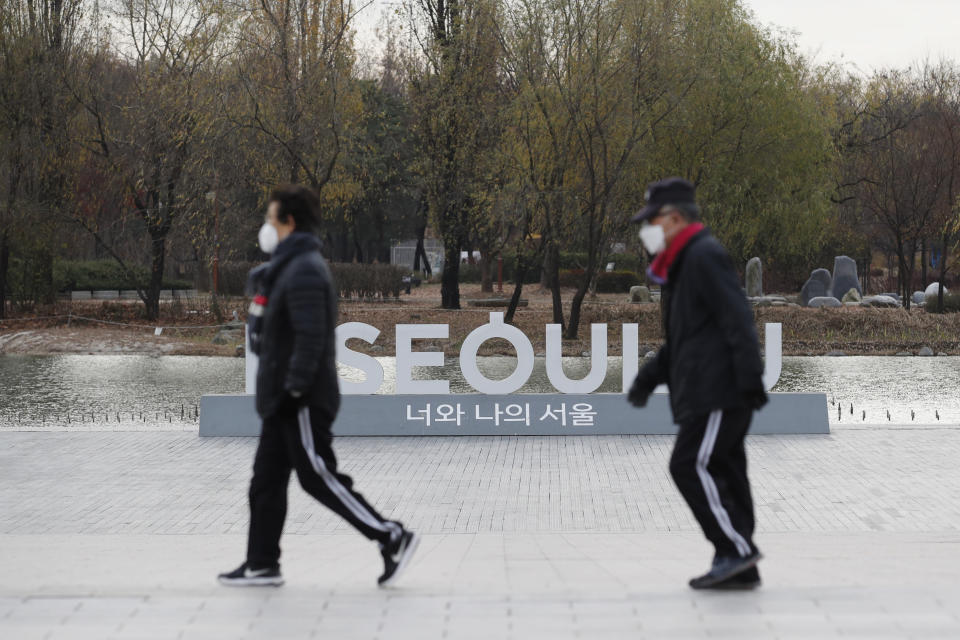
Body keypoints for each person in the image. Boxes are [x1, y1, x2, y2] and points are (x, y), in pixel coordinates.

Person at [219, 184, 419, 588]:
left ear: (288, 222)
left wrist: (293, 390)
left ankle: (390, 535)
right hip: (282, 397)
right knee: (266, 482)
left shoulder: (305, 268)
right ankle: (261, 563)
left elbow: (312, 338)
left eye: (271, 219)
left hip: (301, 397)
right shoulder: (285, 268)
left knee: (317, 475)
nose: (266, 227)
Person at [627, 177, 767, 590]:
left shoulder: (703, 256)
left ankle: (736, 550)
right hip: (707, 388)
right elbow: (686, 339)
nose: (646, 229)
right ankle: (739, 561)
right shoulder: (682, 265)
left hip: (719, 390)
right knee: (723, 469)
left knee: (690, 464)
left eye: (651, 220)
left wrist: (749, 379)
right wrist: (648, 379)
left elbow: (737, 317)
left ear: (672, 218)